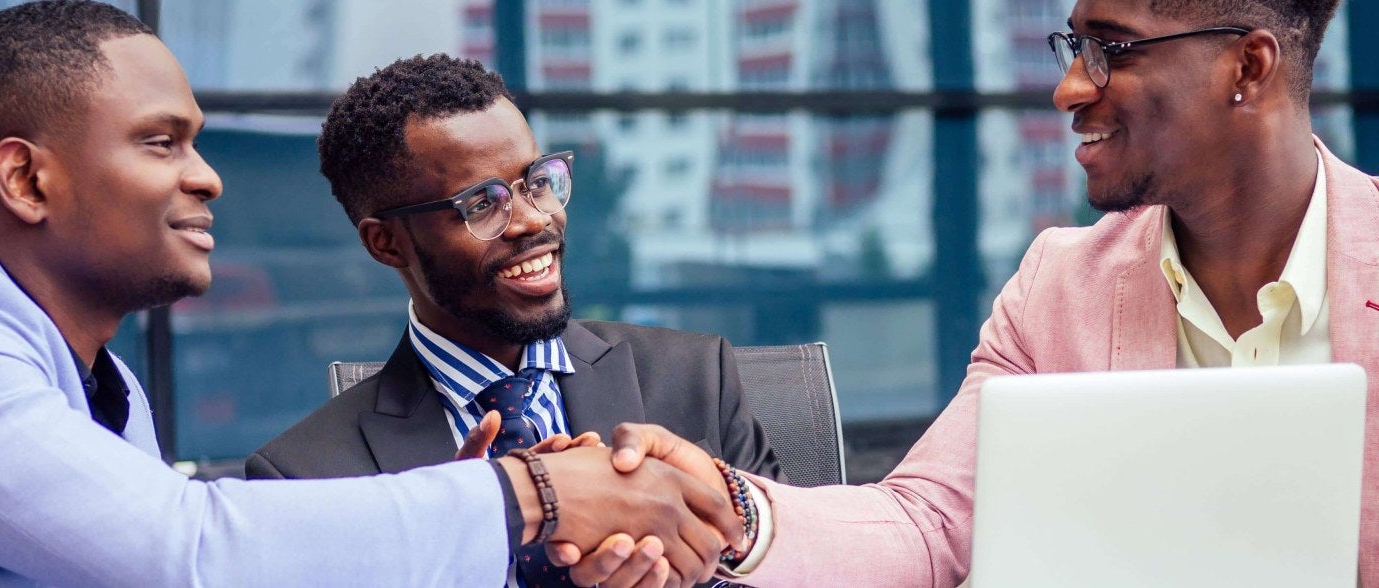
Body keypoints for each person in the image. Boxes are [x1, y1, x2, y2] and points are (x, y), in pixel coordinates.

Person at [568, 0, 1379, 586]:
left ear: (1250, 66)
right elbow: (931, 524)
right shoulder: (1061, 283)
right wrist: (727, 505)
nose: (1069, 88)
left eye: (1113, 50)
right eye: (1075, 46)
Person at [0, 2, 742, 586]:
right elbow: (184, 551)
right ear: (25, 178)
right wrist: (526, 496)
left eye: (537, 181)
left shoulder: (104, 387)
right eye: (161, 142)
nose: (207, 176)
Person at [244, 53, 784, 587]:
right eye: (481, 204)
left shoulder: (695, 377)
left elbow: (792, 568)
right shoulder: (305, 477)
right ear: (386, 243)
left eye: (537, 181)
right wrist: (463, 535)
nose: (535, 218)